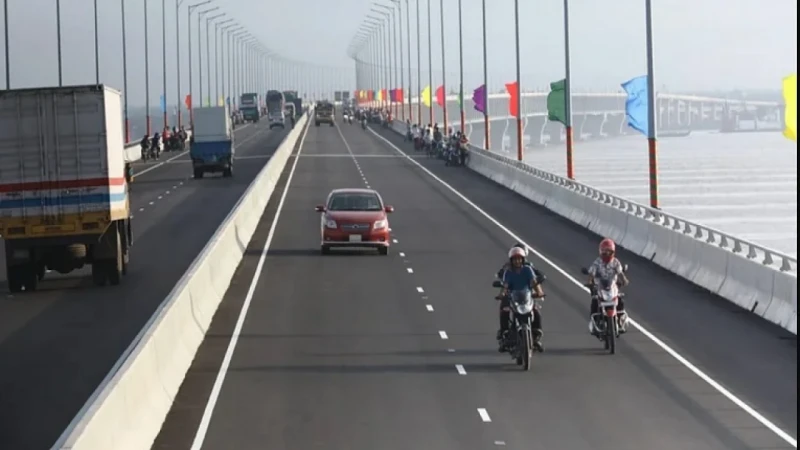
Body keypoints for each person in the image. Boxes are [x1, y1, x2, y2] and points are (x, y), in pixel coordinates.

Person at [496, 245, 545, 352]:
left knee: (536, 310)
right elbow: (505, 285)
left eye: (519, 259)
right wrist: (502, 294)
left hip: (527, 296)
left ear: (523, 259)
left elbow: (534, 282)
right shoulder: (508, 271)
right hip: (513, 296)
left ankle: (537, 333)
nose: (517, 261)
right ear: (511, 260)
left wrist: (539, 292)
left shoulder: (528, 269)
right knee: (505, 310)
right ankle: (505, 333)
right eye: (515, 259)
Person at [586, 238, 630, 334]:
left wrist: (624, 280)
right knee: (594, 301)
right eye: (605, 251)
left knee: (620, 299)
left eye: (609, 251)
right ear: (601, 251)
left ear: (613, 251)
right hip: (600, 286)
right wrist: (589, 282)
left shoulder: (615, 262)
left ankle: (621, 318)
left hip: (612, 286)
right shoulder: (597, 262)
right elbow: (591, 273)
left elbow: (620, 272)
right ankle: (594, 322)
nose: (607, 254)